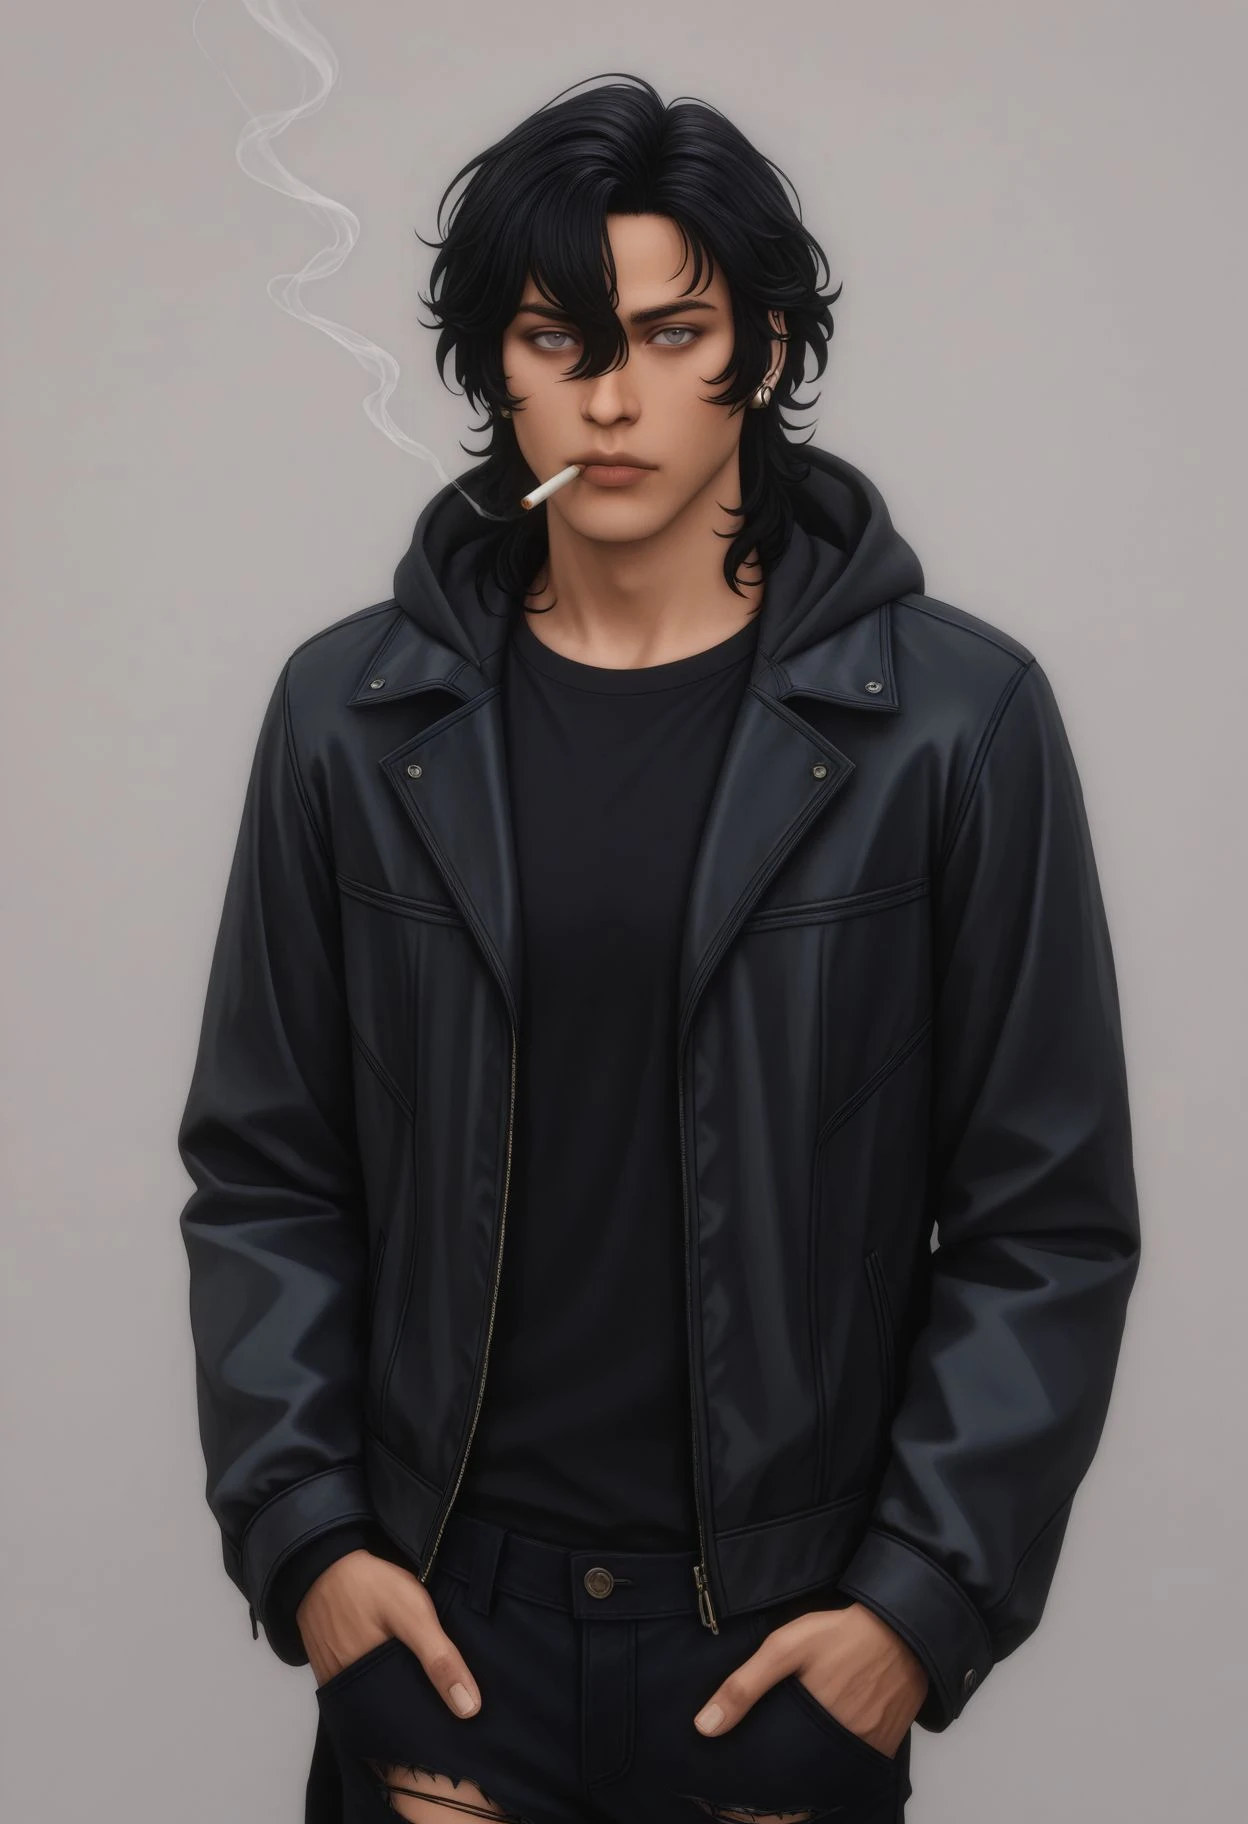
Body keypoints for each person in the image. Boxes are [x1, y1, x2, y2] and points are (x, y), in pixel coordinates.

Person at [177, 74, 1141, 1824]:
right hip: (445, 1644)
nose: (612, 399)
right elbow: (268, 1174)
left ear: (761, 352)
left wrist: (909, 1619)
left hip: (775, 1650)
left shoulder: (957, 727)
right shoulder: (350, 719)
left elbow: (1044, 1221)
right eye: (557, 340)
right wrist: (314, 1553)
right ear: (498, 368)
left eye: (672, 334)